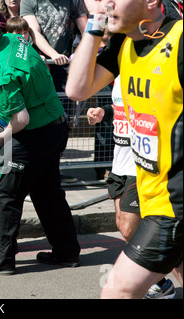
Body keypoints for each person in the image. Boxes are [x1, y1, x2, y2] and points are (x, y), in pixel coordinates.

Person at [66, 0, 183, 298]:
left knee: (117, 290)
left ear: (151, 2)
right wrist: (93, 25)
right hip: (151, 189)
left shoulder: (179, 40)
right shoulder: (123, 44)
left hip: (174, 201)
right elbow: (77, 90)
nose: (107, 2)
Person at [0, 15, 81, 275]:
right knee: (48, 193)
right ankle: (67, 252)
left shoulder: (4, 71)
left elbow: (20, 119)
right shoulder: (13, 40)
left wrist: (0, 138)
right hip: (54, 126)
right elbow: (23, 87)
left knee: (4, 191)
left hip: (32, 132)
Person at [20, 0, 88, 92]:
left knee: (63, 102)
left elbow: (86, 31)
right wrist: (54, 54)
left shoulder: (73, 1)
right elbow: (34, 32)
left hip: (63, 63)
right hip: (39, 62)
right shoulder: (29, 1)